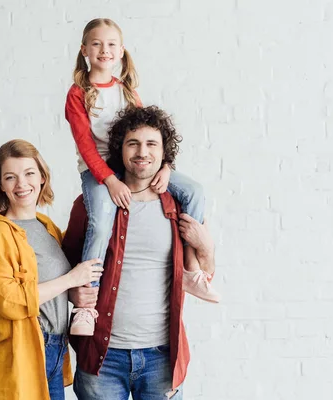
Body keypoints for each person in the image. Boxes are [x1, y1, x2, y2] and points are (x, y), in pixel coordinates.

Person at [65, 18, 219, 336]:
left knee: (194, 192)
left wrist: (166, 167)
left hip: (128, 165)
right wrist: (110, 180)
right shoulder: (79, 94)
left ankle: (191, 272)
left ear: (121, 51)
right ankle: (86, 307)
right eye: (96, 44)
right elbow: (86, 146)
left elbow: (149, 135)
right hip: (98, 172)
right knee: (102, 218)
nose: (104, 50)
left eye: (111, 45)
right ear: (84, 51)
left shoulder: (127, 92)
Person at [62, 106, 217, 399]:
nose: (141, 152)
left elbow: (205, 272)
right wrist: (73, 293)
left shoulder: (180, 206)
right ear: (120, 149)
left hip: (162, 357)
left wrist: (206, 247)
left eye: (151, 144)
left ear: (164, 152)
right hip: (102, 358)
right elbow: (65, 269)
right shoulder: (92, 207)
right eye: (133, 143)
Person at [0, 139, 103, 400]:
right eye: (10, 177)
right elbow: (9, 301)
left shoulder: (46, 226)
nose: (22, 184)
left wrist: (73, 292)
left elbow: (50, 286)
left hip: (55, 350)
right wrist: (70, 279)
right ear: (0, 184)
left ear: (42, 177)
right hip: (22, 355)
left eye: (29, 173)